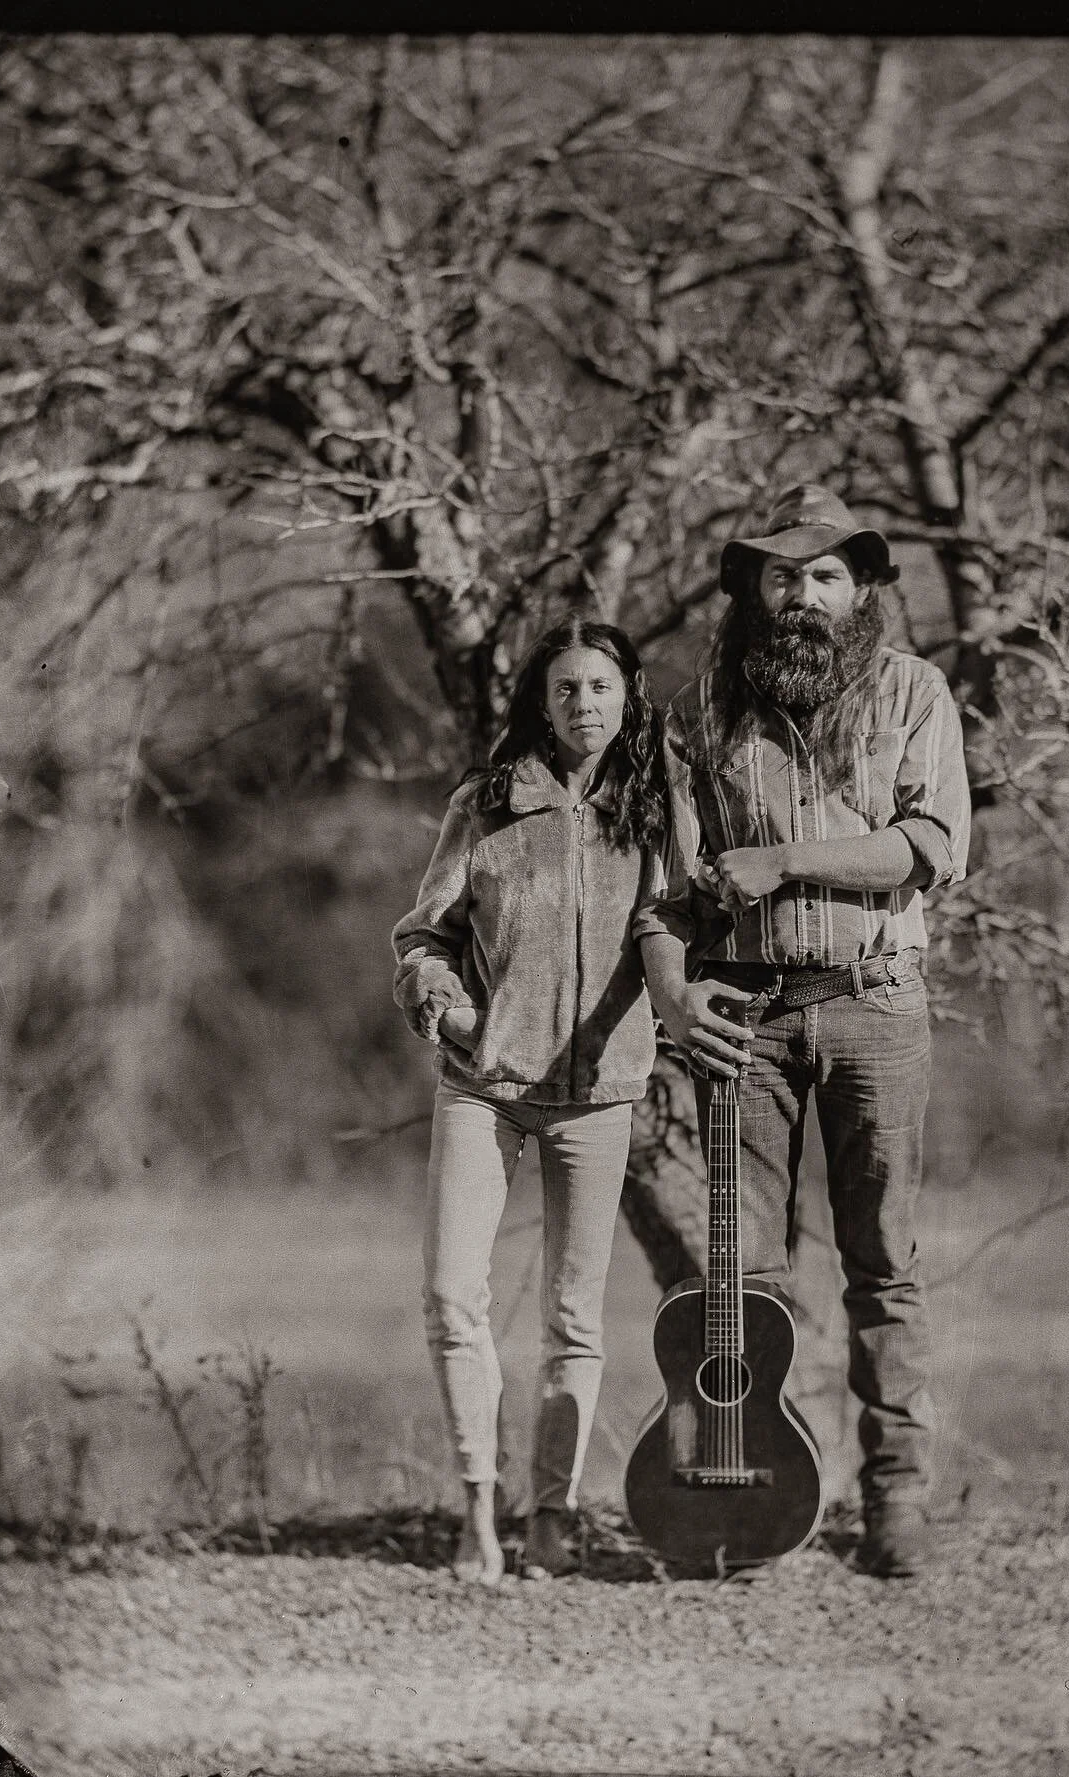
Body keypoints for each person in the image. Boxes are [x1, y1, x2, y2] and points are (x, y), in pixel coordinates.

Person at [633, 483, 971, 1578]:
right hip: (747, 1016)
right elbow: (664, 898)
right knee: (747, 1279)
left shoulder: (916, 691)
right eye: (781, 575)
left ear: (862, 590)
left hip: (878, 1001)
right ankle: (773, 1503)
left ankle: (897, 1506)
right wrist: (678, 999)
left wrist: (785, 862)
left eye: (825, 575)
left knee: (885, 1264)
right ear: (750, 592)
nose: (801, 595)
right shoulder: (698, 716)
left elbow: (928, 843)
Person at [392, 617, 668, 1585]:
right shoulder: (491, 802)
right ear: (540, 703)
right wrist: (449, 1007)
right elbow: (422, 933)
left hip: (600, 1092)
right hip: (487, 1088)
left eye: (599, 685)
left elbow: (680, 934)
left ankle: (553, 1517)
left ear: (628, 696)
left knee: (575, 1318)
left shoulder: (659, 807)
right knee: (451, 1297)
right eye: (564, 688)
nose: (582, 702)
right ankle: (478, 1517)